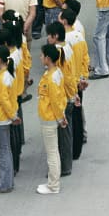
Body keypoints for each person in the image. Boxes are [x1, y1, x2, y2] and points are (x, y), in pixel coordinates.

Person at [36, 43, 69, 194]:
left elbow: (55, 101)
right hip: (52, 117)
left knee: (52, 153)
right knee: (53, 152)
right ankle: (52, 182)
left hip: (49, 118)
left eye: (42, 55)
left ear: (48, 58)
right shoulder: (55, 73)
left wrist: (60, 118)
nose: (40, 57)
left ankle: (53, 185)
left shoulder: (51, 78)